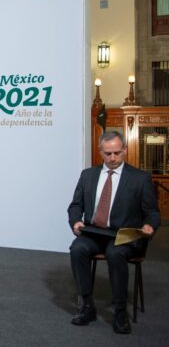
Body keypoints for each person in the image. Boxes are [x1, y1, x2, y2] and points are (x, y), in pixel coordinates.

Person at [67, 131, 159, 334]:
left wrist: (149, 226)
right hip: (94, 233)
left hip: (123, 235)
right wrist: (75, 222)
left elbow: (152, 212)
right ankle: (87, 306)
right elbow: (75, 205)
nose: (113, 158)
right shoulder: (88, 175)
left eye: (117, 152)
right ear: (101, 152)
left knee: (115, 254)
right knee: (77, 249)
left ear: (125, 150)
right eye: (108, 153)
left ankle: (119, 312)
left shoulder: (140, 178)